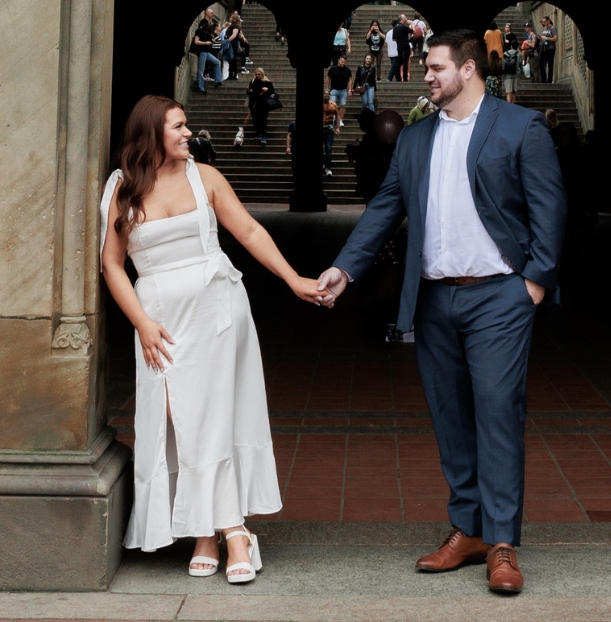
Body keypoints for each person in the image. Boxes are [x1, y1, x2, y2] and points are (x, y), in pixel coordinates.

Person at [316, 30, 567, 595]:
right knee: (450, 417)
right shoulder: (415, 138)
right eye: (426, 68)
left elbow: (550, 209)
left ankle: (502, 542)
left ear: (468, 69)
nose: (425, 76)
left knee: (498, 411)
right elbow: (386, 208)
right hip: (433, 299)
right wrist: (345, 268)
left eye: (434, 67)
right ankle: (468, 529)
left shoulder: (519, 127)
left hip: (500, 296)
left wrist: (533, 284)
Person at [100, 95, 329, 582]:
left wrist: (294, 280)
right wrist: (140, 322)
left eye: (187, 126)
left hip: (218, 311)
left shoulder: (204, 177)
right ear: (151, 134)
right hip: (160, 319)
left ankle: (225, 531)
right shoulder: (122, 188)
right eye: (178, 127)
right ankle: (218, 528)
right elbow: (112, 265)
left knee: (216, 415)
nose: (188, 134)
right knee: (177, 417)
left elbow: (247, 230)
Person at [192, 12, 222, 93]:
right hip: (202, 52)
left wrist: (211, 37)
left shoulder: (207, 32)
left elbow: (211, 38)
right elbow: (196, 42)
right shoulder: (199, 31)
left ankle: (218, 80)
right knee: (201, 70)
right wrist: (206, 43)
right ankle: (200, 87)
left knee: (217, 62)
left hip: (206, 52)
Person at [246, 67, 274, 145]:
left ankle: (263, 135)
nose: (258, 76)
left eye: (259, 74)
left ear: (262, 74)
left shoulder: (267, 82)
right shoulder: (253, 81)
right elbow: (249, 91)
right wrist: (249, 90)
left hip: (263, 104)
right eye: (256, 74)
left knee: (263, 120)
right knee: (255, 119)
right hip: (254, 104)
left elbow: (272, 91)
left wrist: (267, 90)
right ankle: (258, 133)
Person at [327, 55, 352, 128]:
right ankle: (332, 118)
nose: (343, 63)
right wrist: (327, 88)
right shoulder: (333, 69)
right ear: (339, 60)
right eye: (342, 62)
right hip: (334, 89)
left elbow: (350, 79)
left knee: (343, 105)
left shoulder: (347, 70)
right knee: (332, 105)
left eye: (344, 62)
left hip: (343, 90)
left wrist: (349, 89)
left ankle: (340, 119)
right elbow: (328, 77)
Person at [322, 91, 338, 176]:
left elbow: (337, 116)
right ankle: (324, 162)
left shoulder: (333, 105)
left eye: (328, 95)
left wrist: (338, 127)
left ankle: (328, 167)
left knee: (328, 148)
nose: (326, 96)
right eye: (325, 94)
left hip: (329, 129)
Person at [501, 31, 519, 104]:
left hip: (507, 74)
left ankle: (508, 105)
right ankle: (513, 105)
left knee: (508, 92)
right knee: (514, 91)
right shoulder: (519, 54)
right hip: (516, 74)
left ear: (511, 46)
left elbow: (503, 64)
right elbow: (520, 64)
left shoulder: (505, 54)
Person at [393, 14, 412, 82]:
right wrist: (411, 23)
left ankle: (398, 78)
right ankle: (405, 78)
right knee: (405, 62)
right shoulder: (404, 27)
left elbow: (393, 38)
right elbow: (414, 31)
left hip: (399, 46)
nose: (406, 19)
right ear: (402, 19)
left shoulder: (395, 27)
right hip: (405, 45)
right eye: (405, 18)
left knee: (399, 62)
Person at [539, 16, 558, 83]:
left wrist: (547, 38)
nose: (544, 23)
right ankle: (543, 80)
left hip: (550, 48)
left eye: (545, 22)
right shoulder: (544, 28)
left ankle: (549, 80)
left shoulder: (552, 28)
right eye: (543, 22)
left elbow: (556, 38)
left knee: (550, 64)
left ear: (548, 21)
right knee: (542, 63)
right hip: (544, 48)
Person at [224, 13, 243, 81]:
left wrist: (226, 41)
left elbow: (234, 35)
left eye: (231, 17)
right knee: (230, 59)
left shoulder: (236, 27)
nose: (230, 18)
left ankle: (234, 74)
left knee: (233, 59)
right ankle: (230, 74)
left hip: (232, 44)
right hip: (230, 44)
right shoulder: (231, 26)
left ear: (234, 19)